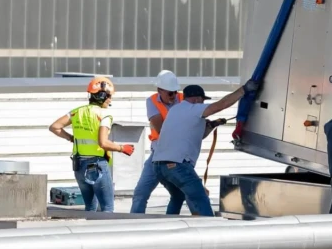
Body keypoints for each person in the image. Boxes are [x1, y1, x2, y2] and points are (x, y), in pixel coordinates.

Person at [153, 81, 257, 216]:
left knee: (177, 197)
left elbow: (197, 135)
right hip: (177, 165)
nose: (202, 104)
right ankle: (209, 230)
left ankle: (168, 228)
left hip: (159, 167)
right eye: (202, 100)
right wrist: (243, 90)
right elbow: (220, 105)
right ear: (197, 99)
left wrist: (212, 125)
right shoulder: (193, 108)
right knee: (200, 198)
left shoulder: (175, 110)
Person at [48, 76, 135, 213]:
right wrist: (122, 148)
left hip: (79, 166)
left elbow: (55, 127)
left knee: (90, 209)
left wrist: (71, 138)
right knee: (107, 208)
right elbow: (103, 142)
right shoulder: (104, 115)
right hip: (97, 165)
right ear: (102, 95)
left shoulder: (76, 112)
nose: (110, 100)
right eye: (109, 96)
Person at [130, 70, 183, 214]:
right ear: (160, 90)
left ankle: (172, 222)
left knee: (178, 195)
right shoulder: (152, 101)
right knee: (141, 193)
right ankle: (133, 224)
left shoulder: (184, 99)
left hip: (178, 155)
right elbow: (160, 128)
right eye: (170, 93)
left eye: (175, 92)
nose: (174, 96)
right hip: (158, 154)